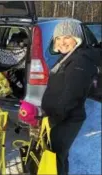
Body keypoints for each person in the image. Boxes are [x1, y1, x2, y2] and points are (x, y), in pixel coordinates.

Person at [41, 20, 100, 175]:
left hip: (66, 119)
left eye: (67, 37)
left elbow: (72, 96)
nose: (62, 42)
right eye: (58, 38)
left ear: (77, 38)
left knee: (55, 158)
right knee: (58, 156)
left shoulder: (80, 61)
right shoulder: (69, 57)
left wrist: (54, 117)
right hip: (61, 117)